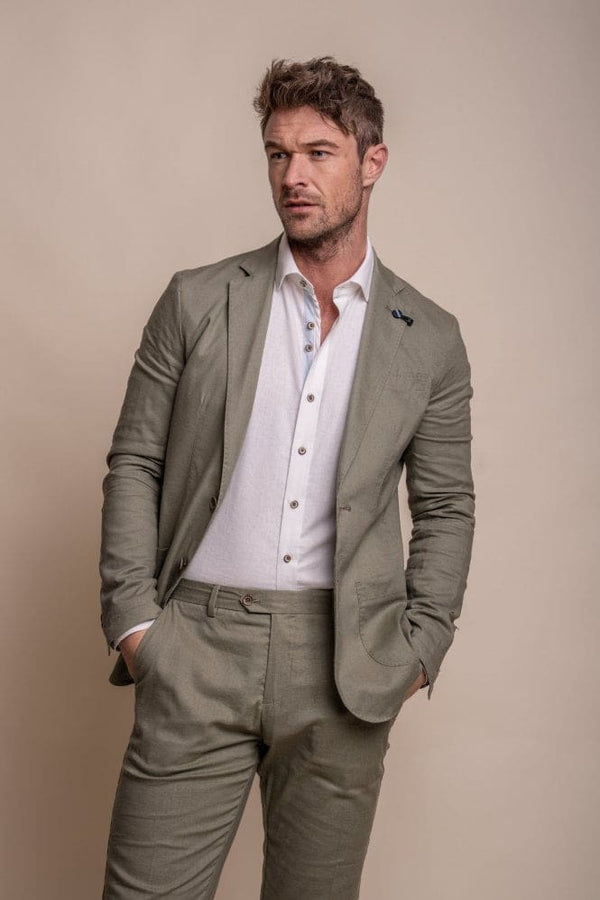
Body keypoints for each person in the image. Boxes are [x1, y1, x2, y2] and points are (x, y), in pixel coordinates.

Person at [99, 56, 475, 899]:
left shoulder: (429, 337)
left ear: (372, 162)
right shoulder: (197, 300)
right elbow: (136, 461)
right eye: (277, 154)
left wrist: (422, 644)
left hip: (347, 661)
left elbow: (446, 505)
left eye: (318, 153)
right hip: (194, 642)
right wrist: (135, 622)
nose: (292, 176)